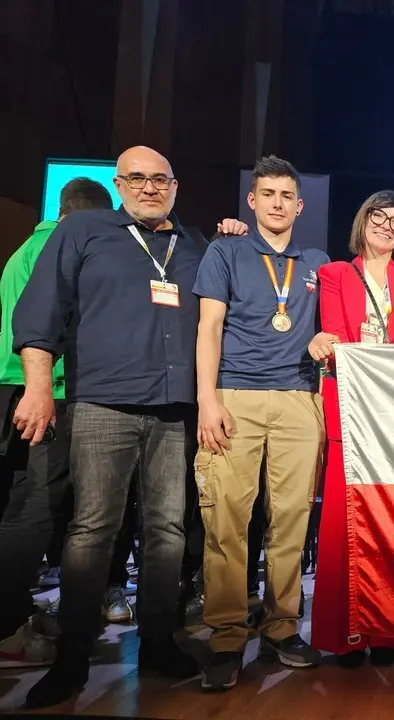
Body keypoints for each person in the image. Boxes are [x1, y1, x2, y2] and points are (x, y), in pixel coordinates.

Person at [13, 146, 205, 708]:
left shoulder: (192, 244)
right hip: (103, 405)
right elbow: (40, 312)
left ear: (175, 185)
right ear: (119, 183)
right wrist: (38, 387)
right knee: (92, 530)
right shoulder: (86, 230)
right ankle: (73, 656)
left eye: (160, 179)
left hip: (174, 408)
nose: (150, 187)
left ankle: (157, 643)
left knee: (168, 531)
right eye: (137, 178)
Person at [192, 156, 328, 691]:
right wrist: (207, 400)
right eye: (266, 193)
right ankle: (226, 635)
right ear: (251, 200)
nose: (276, 203)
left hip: (299, 400)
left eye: (285, 196)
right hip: (235, 396)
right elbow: (208, 329)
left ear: (299, 204)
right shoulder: (226, 250)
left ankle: (282, 626)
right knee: (226, 518)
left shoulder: (316, 262)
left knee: (292, 519)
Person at [309, 190, 394, 667]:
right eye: (379, 218)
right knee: (345, 525)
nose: (387, 226)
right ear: (363, 221)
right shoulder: (336, 275)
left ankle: (390, 633)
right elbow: (337, 337)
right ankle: (347, 635)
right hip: (350, 410)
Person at [0, 179, 113, 670]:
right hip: (49, 393)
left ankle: (17, 613)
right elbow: (51, 325)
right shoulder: (60, 248)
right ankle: (7, 630)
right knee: (38, 509)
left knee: (26, 502)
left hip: (16, 389)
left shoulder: (27, 245)